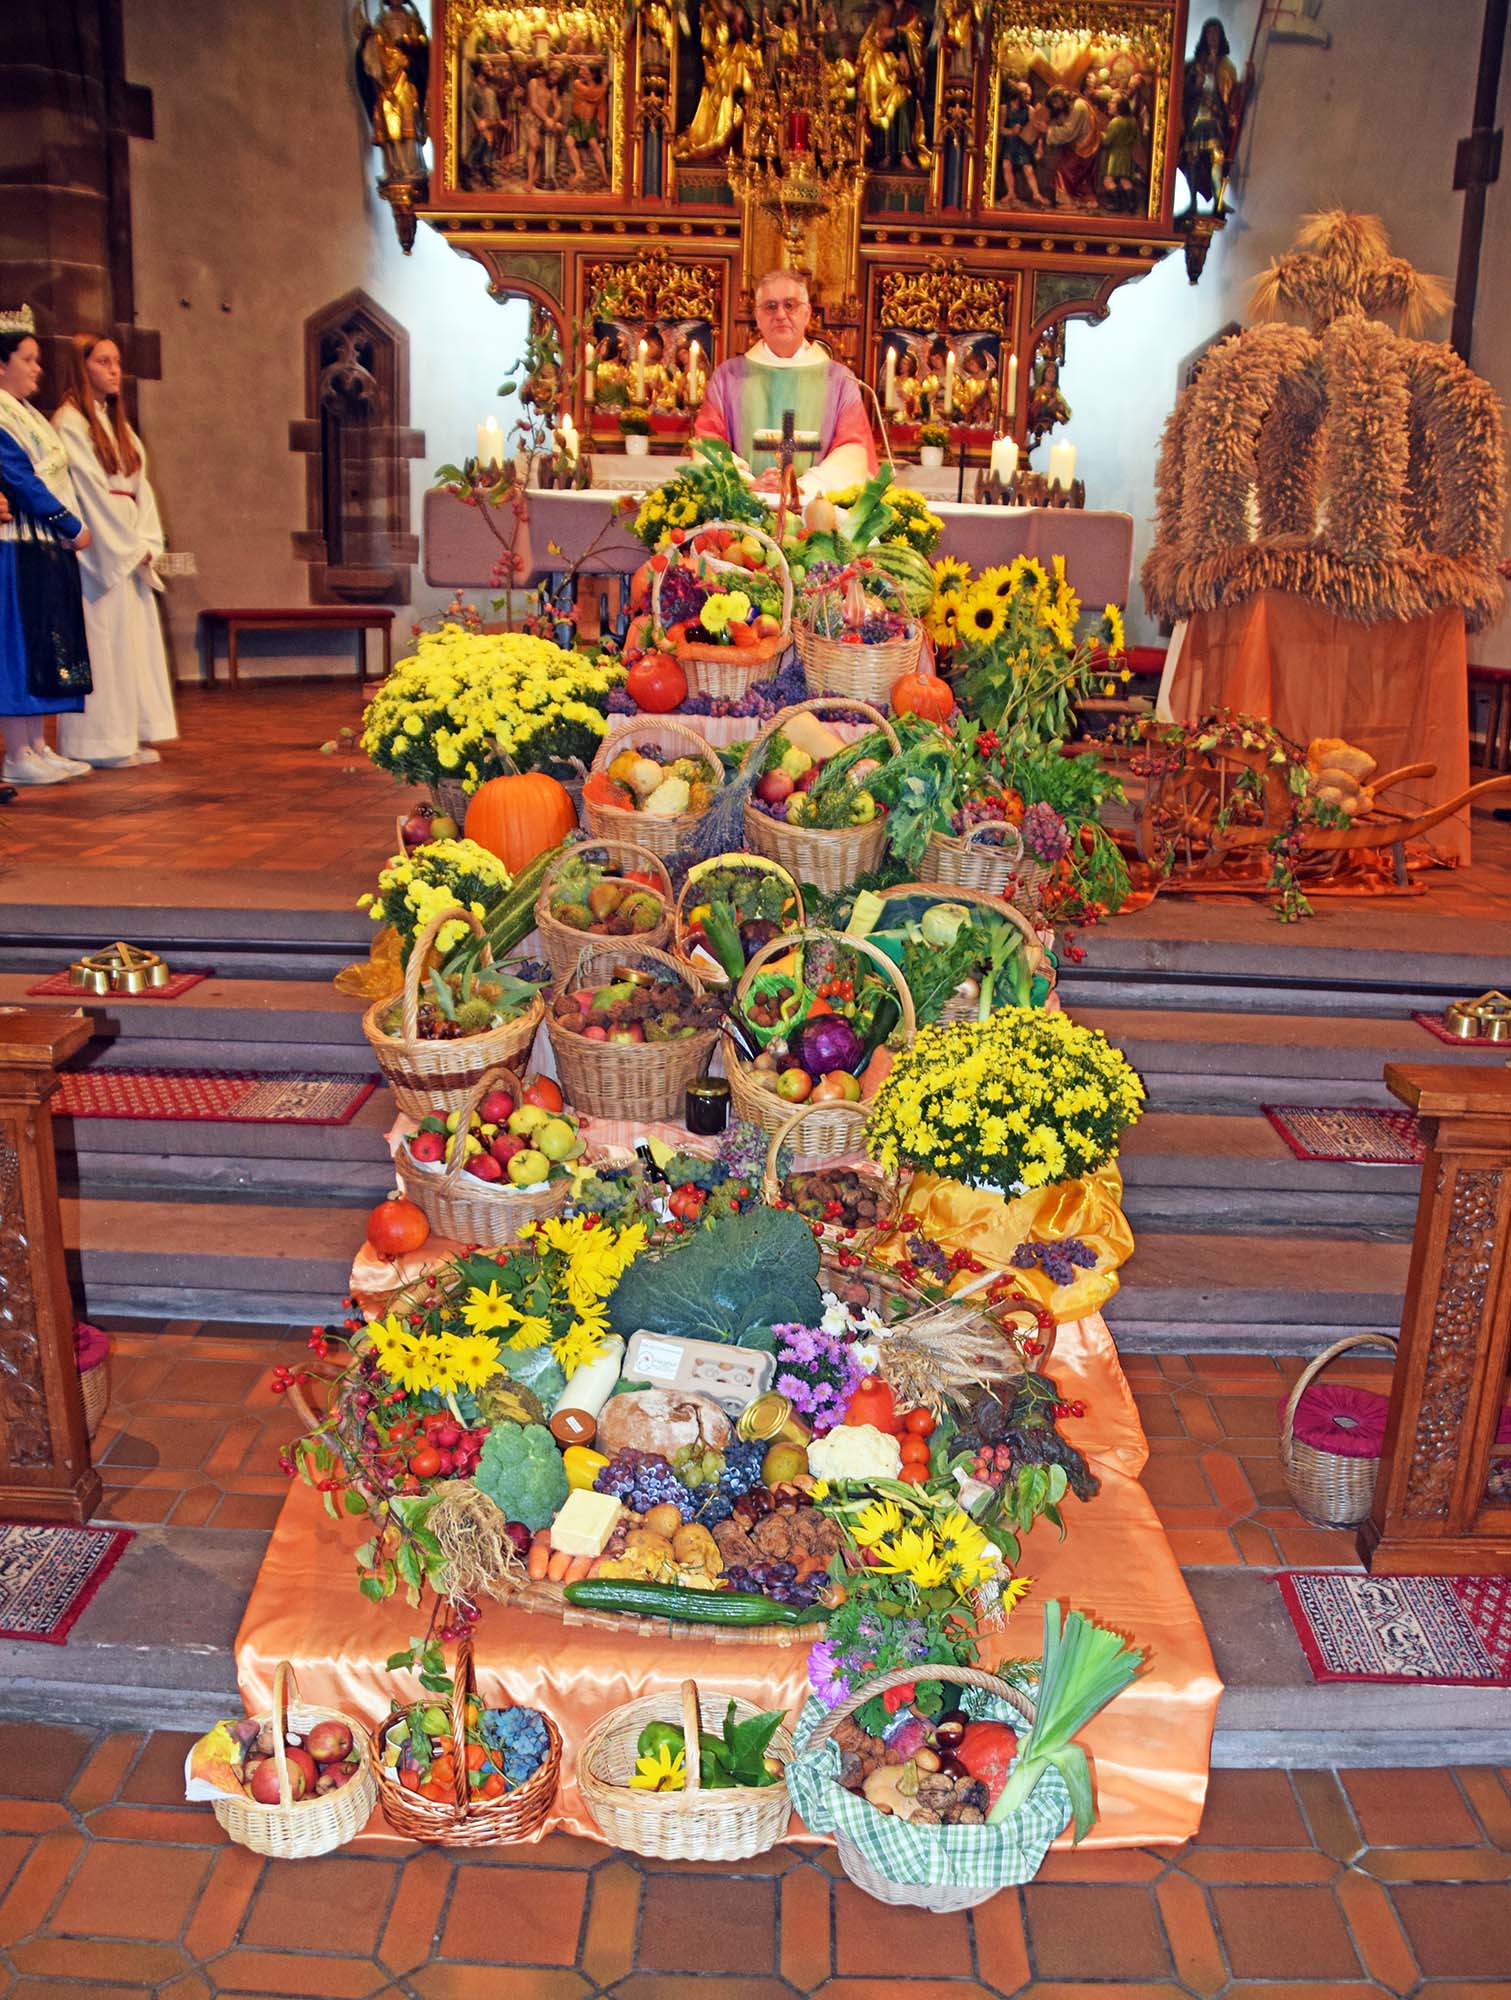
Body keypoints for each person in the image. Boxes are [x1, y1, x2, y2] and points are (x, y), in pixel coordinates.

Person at [52, 334, 177, 770]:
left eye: (117, 361)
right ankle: (96, 742)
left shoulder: (117, 426)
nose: (114, 370)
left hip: (129, 548)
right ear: (81, 366)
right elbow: (88, 493)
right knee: (103, 646)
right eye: (103, 361)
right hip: (100, 556)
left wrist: (147, 543)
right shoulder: (70, 422)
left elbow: (142, 491)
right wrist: (125, 546)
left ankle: (126, 735)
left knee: (131, 647)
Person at [0, 313, 93, 788]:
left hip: (39, 544)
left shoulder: (26, 413)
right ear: (1, 364)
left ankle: (37, 745)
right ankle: (17, 753)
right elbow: (19, 478)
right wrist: (68, 523)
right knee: (21, 646)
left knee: (43, 644)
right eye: (28, 359)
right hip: (16, 546)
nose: (38, 368)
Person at [693, 269, 876, 501]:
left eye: (790, 305)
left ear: (807, 313)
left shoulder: (840, 380)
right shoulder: (727, 377)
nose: (780, 314)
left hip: (816, 508)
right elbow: (708, 443)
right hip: (744, 507)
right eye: (770, 306)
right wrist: (749, 483)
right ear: (757, 316)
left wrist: (804, 487)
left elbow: (854, 449)